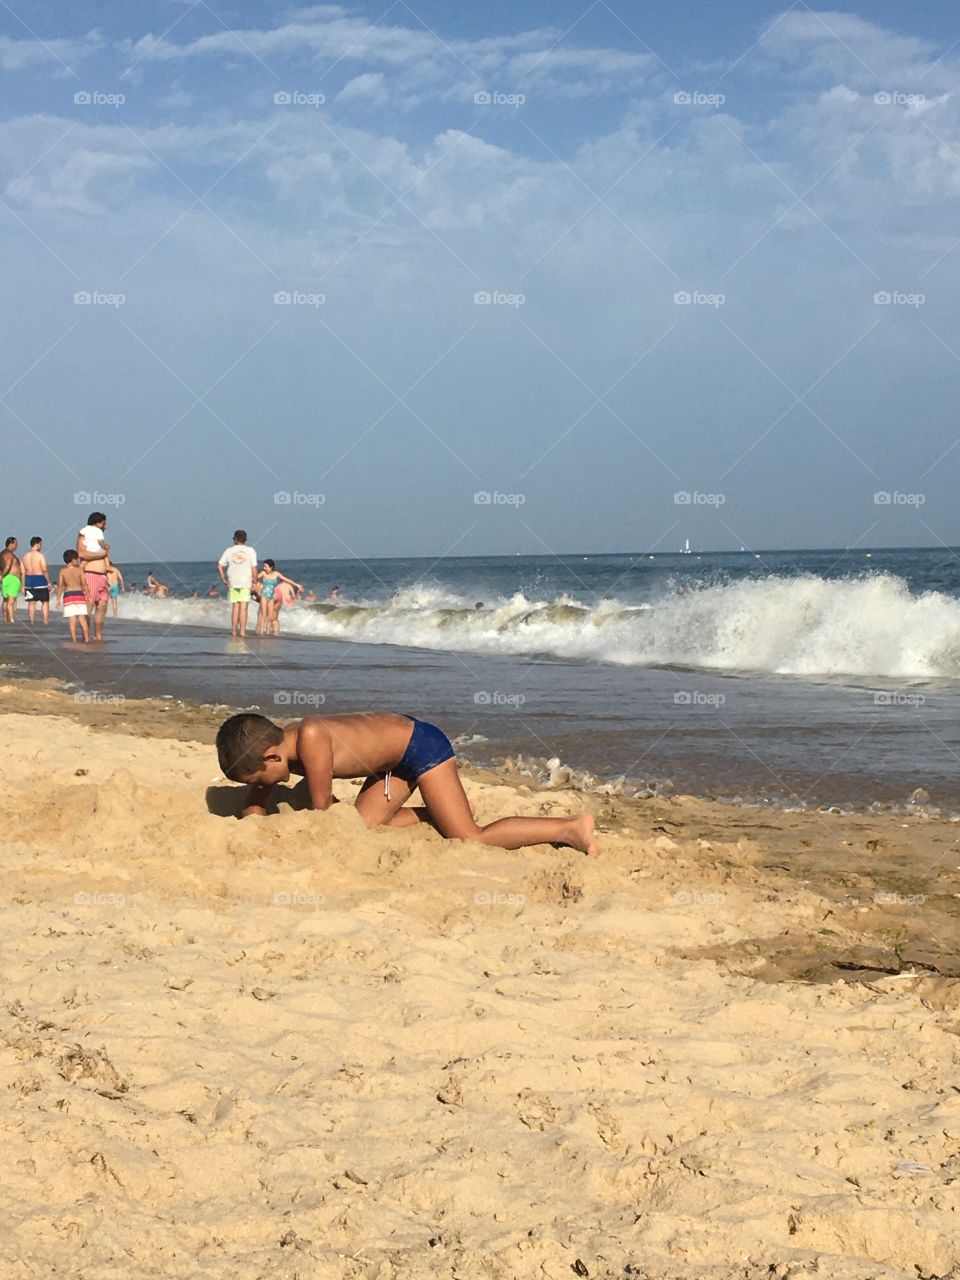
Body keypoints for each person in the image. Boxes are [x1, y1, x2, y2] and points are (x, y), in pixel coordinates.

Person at [215, 711, 598, 856]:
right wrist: (253, 814)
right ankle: (441, 811)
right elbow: (259, 795)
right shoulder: (279, 747)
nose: (260, 785)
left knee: (469, 838)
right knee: (364, 825)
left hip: (421, 746)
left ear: (271, 756)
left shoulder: (310, 737)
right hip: (389, 767)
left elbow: (323, 813)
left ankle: (569, 828)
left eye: (258, 778)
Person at [75, 513, 110, 641]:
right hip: (90, 574)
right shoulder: (84, 535)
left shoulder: (99, 541)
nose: (106, 527)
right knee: (89, 606)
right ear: (97, 523)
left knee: (102, 607)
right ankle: (86, 636)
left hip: (103, 576)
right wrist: (101, 555)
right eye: (104, 524)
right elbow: (82, 553)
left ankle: (98, 636)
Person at [217, 530, 258, 638]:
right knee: (243, 608)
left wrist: (223, 579)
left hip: (233, 581)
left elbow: (220, 566)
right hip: (245, 581)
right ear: (245, 539)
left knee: (235, 607)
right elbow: (254, 567)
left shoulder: (229, 550)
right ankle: (243, 632)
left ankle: (234, 631)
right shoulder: (250, 550)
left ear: (235, 539)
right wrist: (255, 581)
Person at [258, 560, 303, 636]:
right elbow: (253, 578)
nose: (264, 568)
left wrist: (296, 584)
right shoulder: (263, 573)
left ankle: (268, 632)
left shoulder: (276, 574)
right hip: (264, 596)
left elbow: (286, 579)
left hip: (271, 596)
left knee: (270, 616)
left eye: (266, 566)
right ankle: (261, 632)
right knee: (264, 614)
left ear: (271, 567)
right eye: (264, 566)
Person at [56, 550, 91, 643]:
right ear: (72, 560)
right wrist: (89, 596)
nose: (78, 561)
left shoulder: (62, 571)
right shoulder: (79, 570)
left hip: (68, 595)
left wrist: (58, 599)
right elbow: (84, 584)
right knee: (82, 619)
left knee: (72, 620)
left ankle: (74, 640)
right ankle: (87, 639)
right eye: (76, 559)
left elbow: (60, 586)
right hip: (79, 594)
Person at [21, 537, 51, 624]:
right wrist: (48, 582)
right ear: (37, 544)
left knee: (31, 602)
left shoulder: (25, 556)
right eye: (40, 544)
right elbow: (44, 569)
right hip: (40, 579)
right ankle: (45, 621)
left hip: (29, 579)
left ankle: (32, 621)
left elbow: (23, 572)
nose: (41, 546)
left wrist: (23, 585)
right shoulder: (40, 556)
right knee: (45, 602)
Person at [1, 536, 22, 622]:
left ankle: (6, 618)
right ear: (11, 544)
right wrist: (2, 576)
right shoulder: (9, 554)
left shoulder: (2, 553)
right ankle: (12, 620)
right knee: (11, 602)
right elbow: (7, 567)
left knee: (6, 600)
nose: (17, 545)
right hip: (12, 579)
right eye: (16, 543)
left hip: (6, 579)